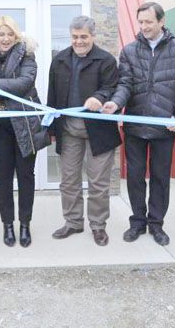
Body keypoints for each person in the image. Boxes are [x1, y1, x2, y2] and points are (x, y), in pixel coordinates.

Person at [102, 2, 175, 246]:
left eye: (149, 22)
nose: (144, 26)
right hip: (135, 127)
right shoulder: (129, 51)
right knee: (134, 177)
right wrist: (116, 103)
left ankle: (156, 224)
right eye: (141, 22)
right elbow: (125, 84)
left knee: (160, 178)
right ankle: (137, 222)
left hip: (165, 128)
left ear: (161, 21)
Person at [0, 16, 49, 247]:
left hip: (25, 124)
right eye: (1, 34)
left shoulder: (27, 56)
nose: (6, 39)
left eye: (10, 34)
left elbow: (24, 83)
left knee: (26, 176)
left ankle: (25, 224)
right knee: (3, 176)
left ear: (16, 37)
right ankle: (7, 225)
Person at [47, 16, 121, 246]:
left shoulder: (106, 60)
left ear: (93, 36)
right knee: (69, 181)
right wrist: (51, 129)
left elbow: (112, 88)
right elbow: (52, 95)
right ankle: (73, 222)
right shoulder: (59, 60)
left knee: (98, 183)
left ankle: (98, 226)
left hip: (100, 132)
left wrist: (99, 98)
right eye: (75, 37)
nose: (79, 41)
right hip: (69, 130)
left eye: (84, 37)